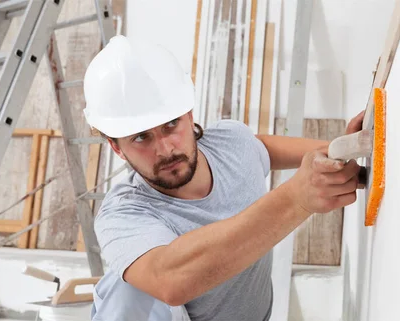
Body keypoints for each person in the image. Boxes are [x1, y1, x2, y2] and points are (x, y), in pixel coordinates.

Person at [83, 35, 365, 321]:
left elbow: (260, 148)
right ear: (117, 147)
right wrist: (296, 198)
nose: (165, 150)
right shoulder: (124, 213)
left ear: (189, 114)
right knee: (128, 290)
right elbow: (169, 279)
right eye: (141, 137)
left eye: (171, 124)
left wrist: (339, 150)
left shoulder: (230, 143)